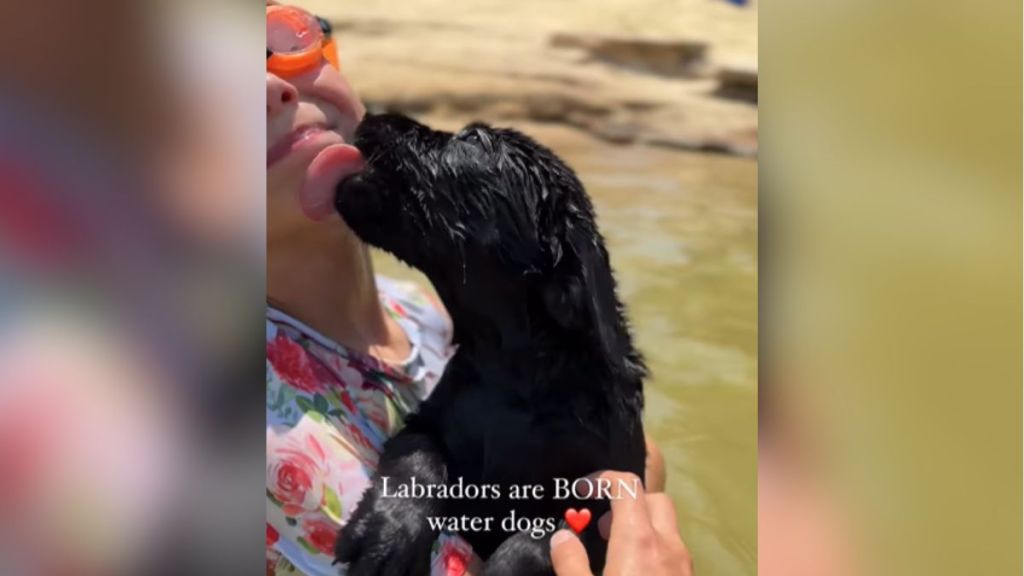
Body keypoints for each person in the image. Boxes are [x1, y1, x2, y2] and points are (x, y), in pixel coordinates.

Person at [265, 3, 676, 575]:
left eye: (276, 36)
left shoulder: (424, 314)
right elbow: (641, 478)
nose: (268, 87)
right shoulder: (264, 437)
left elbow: (642, 458)